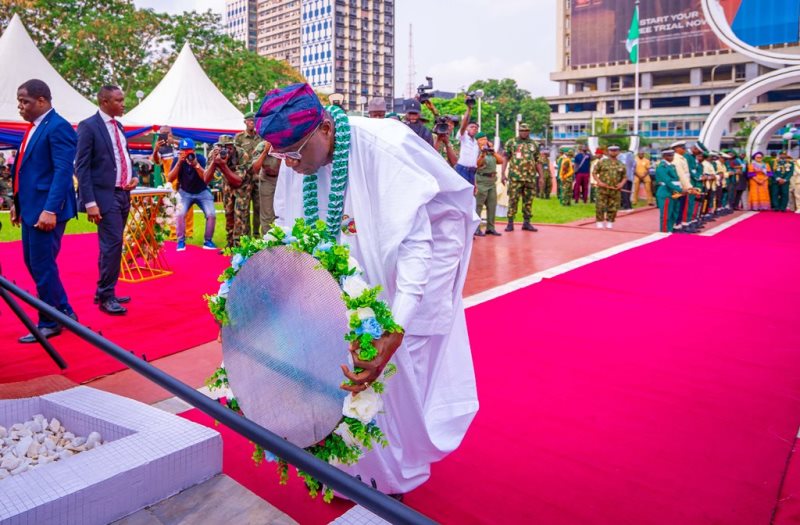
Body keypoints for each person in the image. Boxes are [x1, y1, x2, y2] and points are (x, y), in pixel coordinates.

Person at [257, 83, 477, 496]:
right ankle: (348, 470)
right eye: (279, 155)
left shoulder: (384, 146)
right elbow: (290, 229)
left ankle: (394, 478)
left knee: (392, 373)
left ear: (325, 128)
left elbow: (416, 245)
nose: (288, 165)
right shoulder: (296, 161)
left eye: (295, 153)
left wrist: (397, 324)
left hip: (419, 268)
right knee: (340, 363)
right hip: (355, 264)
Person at [10, 79, 77, 343]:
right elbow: (25, 171)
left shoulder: (58, 127)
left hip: (47, 211)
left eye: (24, 101)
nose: (20, 106)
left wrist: (50, 210)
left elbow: (62, 172)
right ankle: (63, 311)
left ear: (42, 100)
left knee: (41, 264)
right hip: (30, 208)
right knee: (36, 263)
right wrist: (17, 205)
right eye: (19, 101)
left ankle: (50, 321)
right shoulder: (34, 128)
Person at [75, 85, 139, 316]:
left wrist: (134, 176)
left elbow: (125, 159)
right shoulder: (88, 126)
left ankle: (104, 290)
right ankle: (106, 295)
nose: (123, 104)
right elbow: (81, 167)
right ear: (104, 101)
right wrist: (90, 202)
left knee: (111, 245)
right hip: (105, 196)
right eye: (119, 100)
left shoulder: (119, 127)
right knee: (112, 245)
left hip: (123, 193)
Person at [169, 138, 236, 251]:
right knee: (180, 214)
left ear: (194, 151)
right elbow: (170, 178)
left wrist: (196, 165)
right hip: (185, 192)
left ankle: (208, 241)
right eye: (183, 151)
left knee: (211, 214)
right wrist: (179, 163)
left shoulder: (200, 159)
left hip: (202, 191)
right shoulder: (177, 160)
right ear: (180, 151)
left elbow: (206, 179)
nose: (186, 153)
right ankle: (180, 241)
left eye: (189, 151)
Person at [208, 135, 249, 248]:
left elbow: (238, 181)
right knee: (228, 213)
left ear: (234, 146)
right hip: (226, 184)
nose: (225, 150)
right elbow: (206, 178)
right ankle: (230, 244)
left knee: (240, 215)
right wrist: (214, 162)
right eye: (222, 147)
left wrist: (223, 165)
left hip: (242, 185)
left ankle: (240, 246)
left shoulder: (241, 154)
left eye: (229, 147)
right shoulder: (214, 154)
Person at [502, 123, 540, 231]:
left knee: (528, 201)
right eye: (522, 131)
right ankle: (510, 223)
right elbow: (505, 158)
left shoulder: (534, 144)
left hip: (530, 178)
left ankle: (526, 223)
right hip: (515, 178)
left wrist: (541, 177)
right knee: (513, 200)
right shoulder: (511, 142)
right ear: (519, 131)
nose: (524, 132)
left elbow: (538, 161)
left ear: (529, 131)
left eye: (526, 130)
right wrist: (503, 174)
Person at [234, 112, 263, 236]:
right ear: (245, 122)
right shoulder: (239, 138)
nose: (252, 122)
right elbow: (235, 156)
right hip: (244, 178)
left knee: (258, 207)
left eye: (254, 120)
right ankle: (246, 235)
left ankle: (256, 235)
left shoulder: (261, 137)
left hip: (258, 176)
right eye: (250, 120)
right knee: (243, 209)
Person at [474, 132, 504, 237]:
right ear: (476, 141)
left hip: (492, 182)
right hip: (481, 181)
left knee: (492, 205)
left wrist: (493, 151)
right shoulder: (475, 151)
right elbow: (477, 164)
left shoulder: (490, 152)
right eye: (482, 139)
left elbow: (501, 161)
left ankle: (490, 228)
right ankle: (476, 229)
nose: (485, 141)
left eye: (486, 139)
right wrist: (482, 153)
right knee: (478, 206)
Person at [250, 138, 282, 232]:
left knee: (282, 210)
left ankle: (282, 239)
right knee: (267, 214)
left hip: (282, 179)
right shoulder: (262, 146)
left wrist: (279, 153)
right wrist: (265, 152)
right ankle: (267, 240)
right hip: (267, 179)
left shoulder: (285, 143)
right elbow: (255, 168)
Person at [591, 144, 626, 229]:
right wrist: (599, 182)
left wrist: (621, 184)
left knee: (613, 206)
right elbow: (594, 173)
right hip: (602, 189)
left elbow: (625, 177)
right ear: (608, 152)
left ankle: (610, 221)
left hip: (615, 190)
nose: (613, 152)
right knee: (600, 206)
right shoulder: (602, 162)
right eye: (611, 150)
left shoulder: (621, 164)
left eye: (615, 150)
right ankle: (600, 221)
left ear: (618, 152)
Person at [654, 149, 683, 232]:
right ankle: (664, 232)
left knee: (674, 213)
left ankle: (669, 230)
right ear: (664, 156)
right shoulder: (662, 167)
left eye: (672, 155)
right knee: (666, 214)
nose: (671, 157)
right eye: (669, 155)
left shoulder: (672, 166)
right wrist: (680, 190)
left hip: (674, 191)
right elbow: (667, 181)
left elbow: (677, 179)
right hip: (665, 192)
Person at [454, 100, 479, 185]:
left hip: (472, 171)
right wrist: (469, 109)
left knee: (470, 195)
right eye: (472, 127)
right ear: (467, 128)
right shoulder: (463, 136)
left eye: (476, 128)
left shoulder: (476, 142)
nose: (474, 129)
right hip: (462, 169)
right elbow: (464, 123)